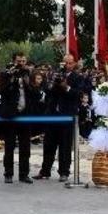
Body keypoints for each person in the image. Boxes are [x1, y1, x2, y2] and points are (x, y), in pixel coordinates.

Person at [36, 53, 82, 182]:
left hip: (66, 116)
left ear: (74, 63)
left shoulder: (77, 77)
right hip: (52, 115)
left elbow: (77, 94)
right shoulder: (56, 74)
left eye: (69, 63)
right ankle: (45, 171)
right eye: (65, 63)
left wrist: (66, 86)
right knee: (48, 144)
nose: (67, 65)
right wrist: (54, 83)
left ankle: (64, 172)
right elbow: (48, 90)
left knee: (65, 146)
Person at [0, 52, 33, 184]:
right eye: (19, 61)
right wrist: (12, 78)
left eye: (24, 61)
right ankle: (8, 173)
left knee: (25, 147)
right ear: (13, 61)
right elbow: (3, 91)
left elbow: (34, 92)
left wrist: (27, 81)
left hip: (25, 114)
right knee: (9, 146)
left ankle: (24, 174)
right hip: (11, 115)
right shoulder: (6, 74)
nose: (21, 64)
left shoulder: (28, 74)